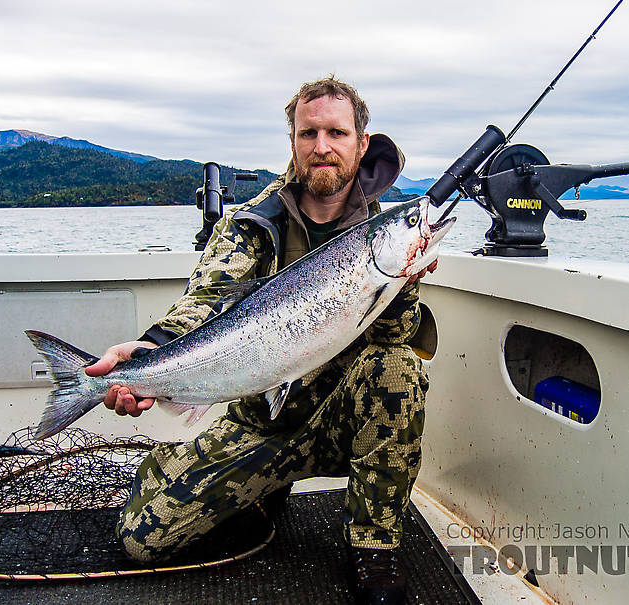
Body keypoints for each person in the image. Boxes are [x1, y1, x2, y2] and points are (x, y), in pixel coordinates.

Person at [85, 76, 435, 605]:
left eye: (336, 133)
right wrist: (146, 354)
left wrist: (405, 284)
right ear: (293, 142)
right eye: (308, 133)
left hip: (338, 419)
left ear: (361, 143)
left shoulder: (384, 233)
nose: (322, 147)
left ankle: (373, 544)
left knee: (399, 368)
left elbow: (393, 336)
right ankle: (247, 484)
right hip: (259, 420)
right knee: (141, 539)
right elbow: (202, 308)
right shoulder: (249, 224)